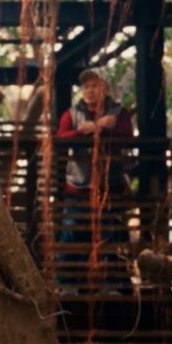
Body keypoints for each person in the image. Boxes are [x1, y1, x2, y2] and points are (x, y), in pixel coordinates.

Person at [55, 69, 134, 291]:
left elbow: (127, 137)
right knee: (71, 237)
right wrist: (86, 131)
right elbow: (60, 138)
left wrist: (99, 128)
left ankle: (115, 285)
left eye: (95, 86)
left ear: (105, 88)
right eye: (86, 87)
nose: (90, 91)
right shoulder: (71, 114)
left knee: (112, 236)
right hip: (77, 187)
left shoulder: (119, 113)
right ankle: (66, 285)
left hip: (110, 186)